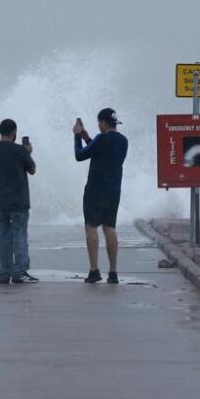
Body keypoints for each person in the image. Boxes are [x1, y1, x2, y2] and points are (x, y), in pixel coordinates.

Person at [74, 108, 129, 284]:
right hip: (114, 190)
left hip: (95, 189)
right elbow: (101, 153)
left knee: (91, 227)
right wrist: (87, 139)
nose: (98, 125)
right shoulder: (123, 141)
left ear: (104, 122)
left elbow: (79, 155)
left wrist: (77, 136)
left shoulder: (101, 138)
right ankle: (113, 272)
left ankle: (94, 270)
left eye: (99, 122)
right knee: (109, 228)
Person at [0, 118, 38, 284]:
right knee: (19, 234)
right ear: (14, 132)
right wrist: (28, 153)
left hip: (0, 201)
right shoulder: (20, 150)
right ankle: (19, 272)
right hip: (19, 201)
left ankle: (4, 273)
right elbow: (32, 170)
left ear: (0, 132)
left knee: (3, 236)